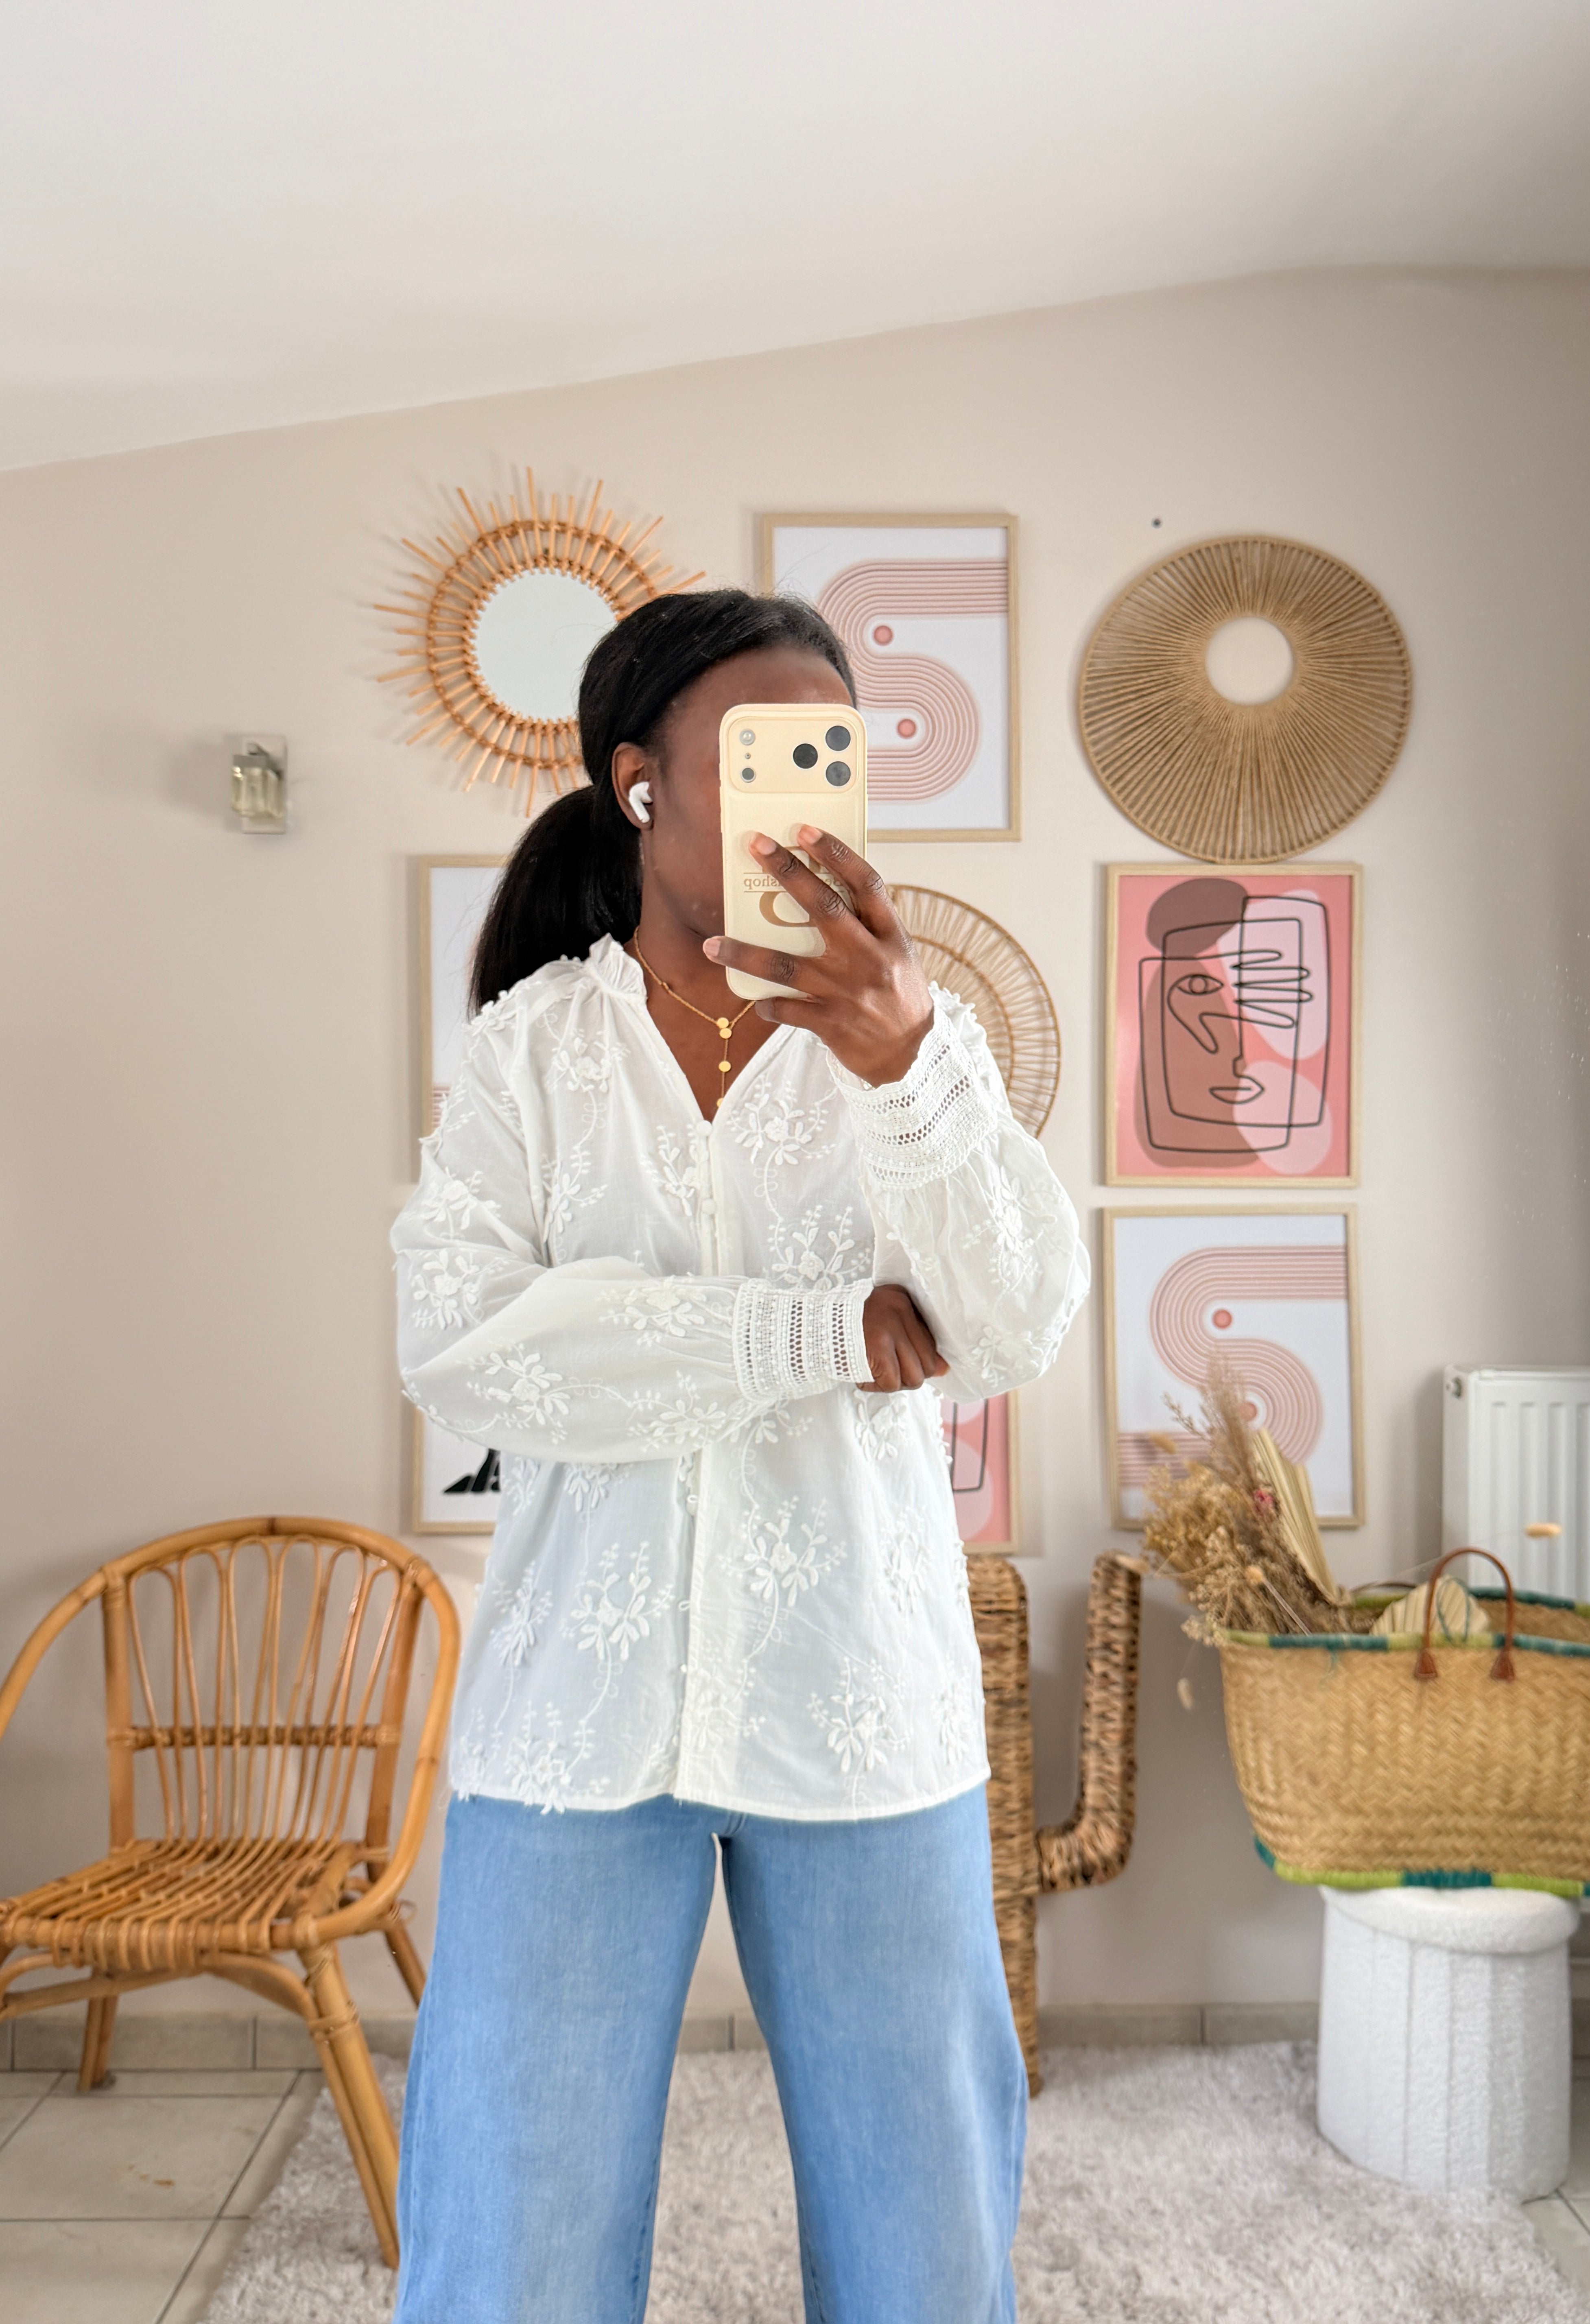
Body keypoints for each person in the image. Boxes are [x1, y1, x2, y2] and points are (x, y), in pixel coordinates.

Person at [389, 588, 1088, 2324]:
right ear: (642, 785)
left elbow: (1014, 1327)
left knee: (927, 2244)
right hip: (573, 1719)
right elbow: (469, 1348)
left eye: (835, 756)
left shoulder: (919, 1046)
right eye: (770, 754)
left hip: (861, 1702)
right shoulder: (531, 1051)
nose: (810, 798)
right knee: (508, 2246)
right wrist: (810, 1334)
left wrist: (906, 1067)